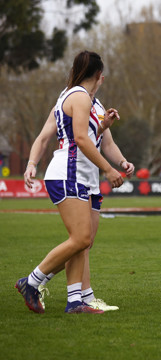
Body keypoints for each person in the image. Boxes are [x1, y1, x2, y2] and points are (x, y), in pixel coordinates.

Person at [15, 50, 124, 314]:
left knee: (83, 240)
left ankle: (77, 300)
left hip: (81, 174)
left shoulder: (73, 97)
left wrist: (103, 127)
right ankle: (32, 281)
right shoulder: (80, 96)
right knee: (80, 238)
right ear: (99, 75)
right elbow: (81, 140)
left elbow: (85, 136)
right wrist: (109, 170)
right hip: (70, 172)